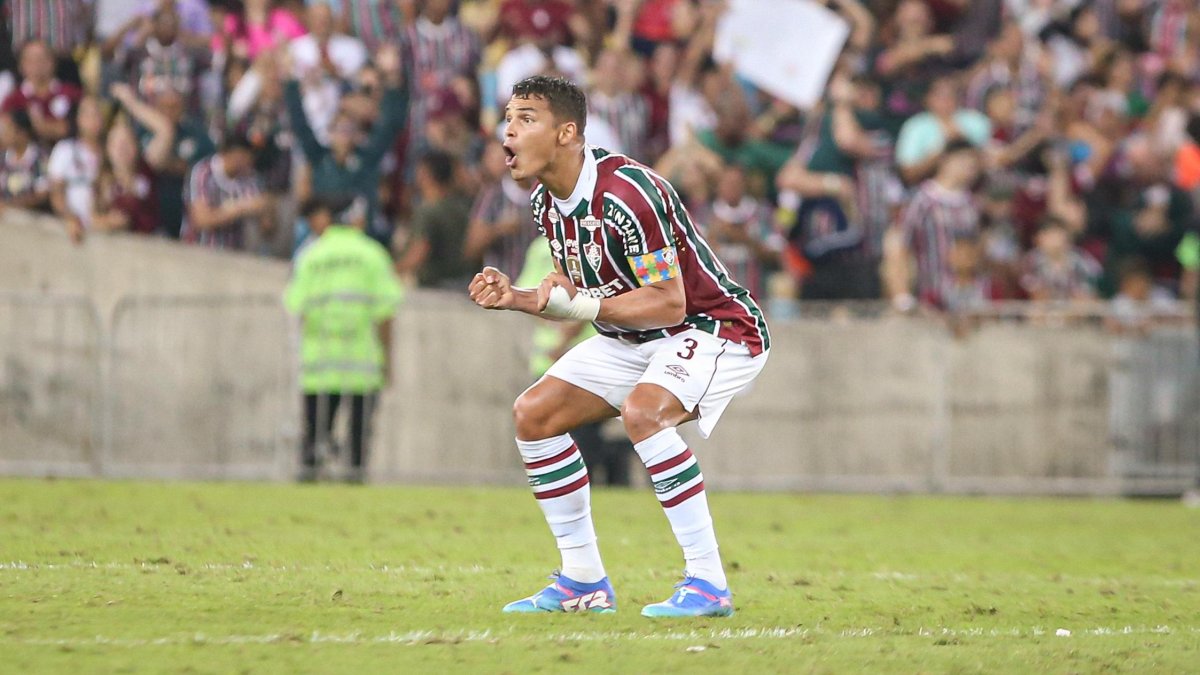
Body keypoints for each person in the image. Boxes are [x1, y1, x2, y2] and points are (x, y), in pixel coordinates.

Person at [468, 76, 770, 617]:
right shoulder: (545, 203)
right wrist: (515, 296)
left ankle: (708, 583)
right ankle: (583, 580)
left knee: (644, 412)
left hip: (714, 328)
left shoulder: (630, 192)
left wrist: (578, 307)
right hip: (631, 337)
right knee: (534, 415)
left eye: (525, 118)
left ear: (567, 133)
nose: (507, 130)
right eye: (507, 117)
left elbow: (669, 303)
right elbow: (568, 287)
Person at [284, 193, 402, 483]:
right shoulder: (373, 254)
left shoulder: (310, 255)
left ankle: (309, 492)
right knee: (358, 447)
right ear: (355, 218)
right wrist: (386, 361)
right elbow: (385, 312)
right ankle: (355, 487)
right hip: (362, 364)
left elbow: (297, 307)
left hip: (320, 365)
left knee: (313, 439)